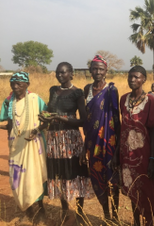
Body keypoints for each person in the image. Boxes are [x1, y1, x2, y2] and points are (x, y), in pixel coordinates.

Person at [39, 62, 93, 225]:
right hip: (54, 139)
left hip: (70, 139)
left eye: (63, 73)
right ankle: (64, 211)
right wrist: (44, 118)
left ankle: (80, 213)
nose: (59, 75)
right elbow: (50, 110)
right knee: (60, 174)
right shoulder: (53, 90)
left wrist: (59, 118)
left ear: (71, 73)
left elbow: (83, 120)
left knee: (75, 173)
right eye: (57, 73)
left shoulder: (77, 93)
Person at [112, 65, 154, 226]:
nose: (132, 80)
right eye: (130, 77)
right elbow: (123, 128)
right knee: (132, 189)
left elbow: (151, 131)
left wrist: (152, 159)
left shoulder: (150, 100)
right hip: (126, 154)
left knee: (146, 189)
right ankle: (136, 222)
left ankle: (151, 221)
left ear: (144, 79)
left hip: (143, 154)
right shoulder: (124, 99)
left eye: (136, 77)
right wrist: (116, 153)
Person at [0, 72, 47, 221]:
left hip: (33, 143)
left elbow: (47, 120)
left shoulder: (35, 100)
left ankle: (40, 209)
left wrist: (37, 130)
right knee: (17, 179)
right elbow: (7, 122)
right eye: (13, 83)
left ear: (27, 85)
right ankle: (28, 211)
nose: (15, 86)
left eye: (19, 84)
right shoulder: (8, 102)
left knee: (34, 176)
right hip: (16, 145)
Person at [83, 55, 120, 223]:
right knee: (97, 176)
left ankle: (116, 214)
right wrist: (85, 144)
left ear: (106, 71)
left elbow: (116, 117)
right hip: (92, 141)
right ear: (90, 71)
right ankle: (106, 213)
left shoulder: (111, 90)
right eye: (94, 68)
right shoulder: (86, 89)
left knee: (112, 177)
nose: (97, 72)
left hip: (109, 140)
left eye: (101, 69)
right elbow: (86, 117)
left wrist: (118, 145)